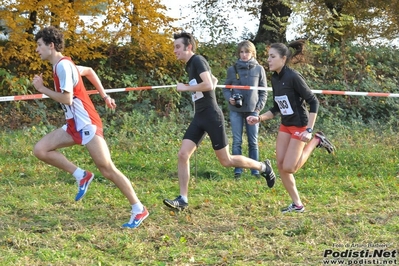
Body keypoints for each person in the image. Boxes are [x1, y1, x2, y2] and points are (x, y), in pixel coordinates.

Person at [31, 26, 148, 228]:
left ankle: (139, 209)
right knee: (40, 150)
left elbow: (67, 99)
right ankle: (81, 175)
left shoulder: (63, 67)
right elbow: (90, 71)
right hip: (73, 125)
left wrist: (42, 89)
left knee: (108, 169)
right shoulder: (63, 64)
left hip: (87, 124)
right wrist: (104, 96)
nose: (37, 50)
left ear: (51, 46)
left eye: (40, 45)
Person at [163, 31, 276, 211]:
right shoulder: (190, 65)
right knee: (183, 154)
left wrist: (186, 88)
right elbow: (213, 80)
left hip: (211, 116)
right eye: (174, 47)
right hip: (199, 116)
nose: (175, 50)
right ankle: (183, 199)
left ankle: (263, 167)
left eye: (178, 47)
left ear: (189, 47)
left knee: (226, 160)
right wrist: (198, 86)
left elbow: (207, 85)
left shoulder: (198, 60)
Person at [247, 40, 336, 213]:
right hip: (285, 126)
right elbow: (276, 108)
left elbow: (313, 101)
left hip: (300, 125)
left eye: (272, 57)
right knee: (281, 166)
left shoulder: (293, 77)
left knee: (290, 167)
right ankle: (297, 204)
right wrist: (259, 118)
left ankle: (317, 140)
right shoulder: (275, 78)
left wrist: (309, 130)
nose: (269, 60)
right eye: (268, 56)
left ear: (283, 58)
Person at [223, 40, 267, 179]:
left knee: (253, 141)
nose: (243, 55)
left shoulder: (259, 69)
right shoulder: (232, 69)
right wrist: (229, 97)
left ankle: (255, 171)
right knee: (237, 141)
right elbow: (225, 88)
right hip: (236, 110)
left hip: (253, 110)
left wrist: (258, 108)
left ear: (252, 53)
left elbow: (264, 91)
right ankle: (238, 171)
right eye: (241, 52)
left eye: (246, 52)